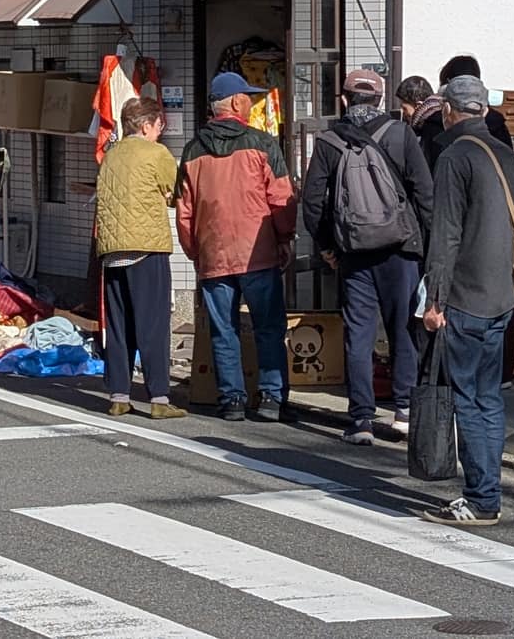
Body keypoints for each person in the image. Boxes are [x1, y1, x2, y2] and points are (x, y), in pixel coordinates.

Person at [303, 67, 436, 446]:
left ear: (344, 100)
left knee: (359, 334)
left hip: (353, 252)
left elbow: (312, 203)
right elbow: (424, 193)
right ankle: (404, 412)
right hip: (400, 250)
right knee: (402, 331)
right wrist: (427, 248)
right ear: (380, 101)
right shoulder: (401, 134)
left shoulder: (328, 141)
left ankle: (360, 419)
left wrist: (328, 246)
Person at [420, 73, 514, 526]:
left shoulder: (454, 156)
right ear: (482, 108)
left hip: (463, 293)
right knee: (489, 399)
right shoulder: (506, 154)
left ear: (448, 108)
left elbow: (445, 234)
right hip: (501, 292)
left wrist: (434, 299)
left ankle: (481, 497)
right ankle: (489, 491)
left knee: (468, 399)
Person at [176, 70, 298, 423]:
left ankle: (231, 399)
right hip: (257, 251)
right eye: (247, 97)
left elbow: (184, 211)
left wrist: (195, 250)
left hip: (213, 253)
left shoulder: (192, 150)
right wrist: (284, 238)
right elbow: (281, 198)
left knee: (223, 330)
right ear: (235, 102)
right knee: (269, 327)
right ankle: (272, 397)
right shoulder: (263, 144)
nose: (250, 102)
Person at [95, 97, 184, 418]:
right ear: (146, 125)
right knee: (153, 324)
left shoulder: (111, 155)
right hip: (146, 248)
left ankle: (119, 394)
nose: (161, 131)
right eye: (160, 125)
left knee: (119, 326)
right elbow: (176, 193)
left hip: (111, 250)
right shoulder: (156, 153)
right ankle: (159, 397)